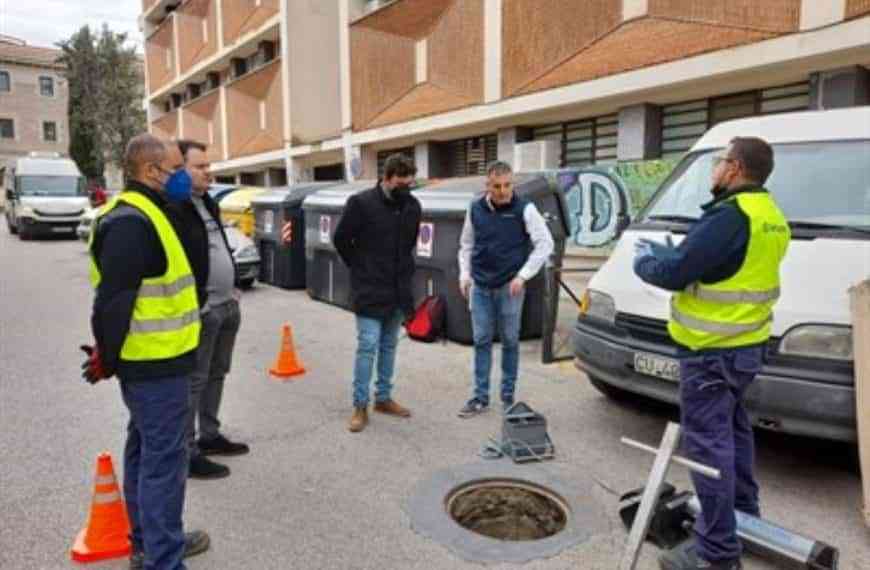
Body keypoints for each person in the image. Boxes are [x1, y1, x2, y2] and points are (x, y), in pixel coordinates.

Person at [633, 137, 790, 570]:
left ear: (735, 168)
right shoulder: (770, 215)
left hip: (709, 354)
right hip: (745, 350)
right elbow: (724, 270)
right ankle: (745, 520)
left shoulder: (728, 216)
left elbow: (676, 273)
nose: (714, 169)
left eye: (719, 162)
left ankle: (718, 553)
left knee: (709, 449)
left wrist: (646, 261)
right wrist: (679, 255)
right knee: (735, 435)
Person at [82, 134, 210, 570]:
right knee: (163, 468)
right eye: (175, 169)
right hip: (155, 365)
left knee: (145, 452)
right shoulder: (131, 222)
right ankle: (164, 560)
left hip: (159, 361)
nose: (180, 177)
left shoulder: (150, 213)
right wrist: (108, 357)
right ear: (152, 171)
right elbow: (113, 300)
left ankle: (149, 545)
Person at [171, 139, 249, 480]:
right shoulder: (175, 208)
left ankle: (210, 435)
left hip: (227, 304)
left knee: (217, 373)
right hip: (202, 310)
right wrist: (199, 300)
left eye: (208, 165)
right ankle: (187, 452)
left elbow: (219, 246)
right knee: (195, 381)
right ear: (181, 169)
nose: (208, 171)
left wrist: (231, 286)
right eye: (200, 166)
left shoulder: (208, 203)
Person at [457, 161, 554, 417]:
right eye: (497, 186)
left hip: (510, 287)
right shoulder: (475, 209)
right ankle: (479, 398)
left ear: (512, 183)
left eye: (507, 185)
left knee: (510, 341)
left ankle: (508, 397)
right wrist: (464, 275)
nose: (503, 191)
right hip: (480, 286)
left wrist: (523, 276)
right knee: (481, 341)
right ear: (487, 186)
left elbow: (545, 244)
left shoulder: (525, 209)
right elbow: (466, 244)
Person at [333, 154, 421, 433]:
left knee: (389, 345)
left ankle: (383, 398)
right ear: (386, 178)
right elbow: (341, 239)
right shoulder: (361, 204)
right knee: (368, 345)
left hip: (398, 289)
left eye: (409, 184)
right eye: (400, 184)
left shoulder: (413, 206)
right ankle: (360, 405)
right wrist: (361, 268)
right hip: (370, 288)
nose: (405, 190)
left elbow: (409, 245)